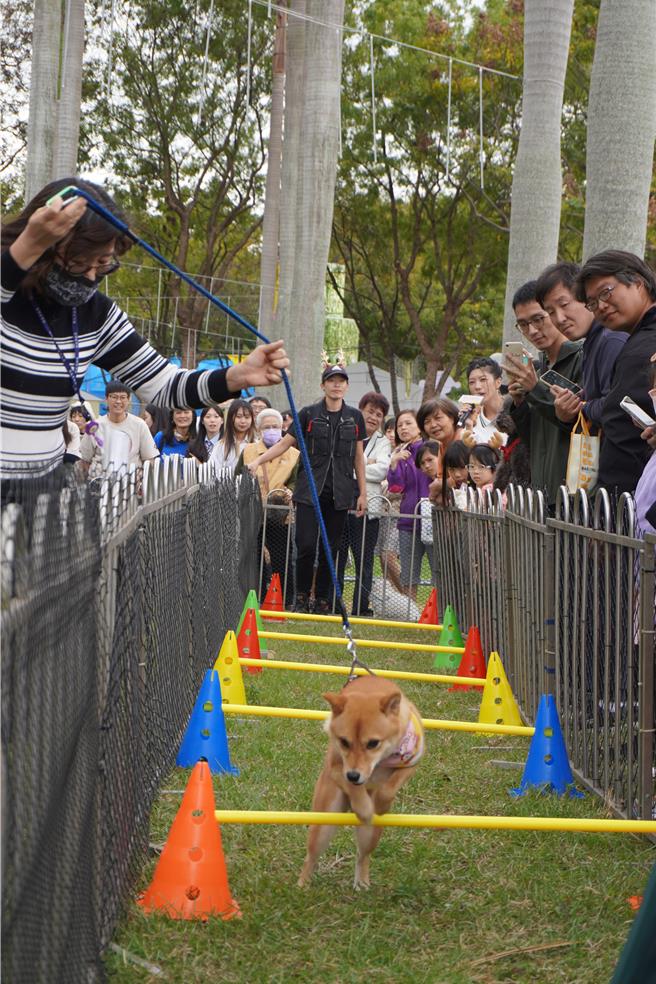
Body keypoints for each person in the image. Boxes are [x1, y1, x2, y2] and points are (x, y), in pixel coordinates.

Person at [0, 177, 289, 479]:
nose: (90, 276)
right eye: (79, 262)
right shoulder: (8, 290)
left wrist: (236, 376)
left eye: (103, 264)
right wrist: (27, 246)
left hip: (39, 493)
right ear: (46, 247)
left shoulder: (96, 315)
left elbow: (164, 385)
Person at [247, 361, 366, 615]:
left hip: (341, 492)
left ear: (346, 386)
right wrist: (258, 460)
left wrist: (363, 493)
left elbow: (358, 457)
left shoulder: (355, 417)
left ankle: (322, 598)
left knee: (329, 549)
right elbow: (284, 444)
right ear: (323, 385)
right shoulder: (308, 414)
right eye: (331, 380)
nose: (336, 384)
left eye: (341, 380)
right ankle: (301, 595)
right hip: (310, 491)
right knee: (306, 545)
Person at [575, 251, 656, 494]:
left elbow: (624, 436)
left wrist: (609, 507)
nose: (600, 306)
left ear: (638, 282)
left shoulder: (640, 350)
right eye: (592, 302)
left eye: (606, 292)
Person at [505, 280, 583, 510]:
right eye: (523, 324)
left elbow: (577, 421)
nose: (532, 331)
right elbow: (533, 439)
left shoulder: (582, 358)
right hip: (540, 493)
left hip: (574, 495)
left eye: (538, 319)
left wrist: (535, 389)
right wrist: (520, 402)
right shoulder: (537, 369)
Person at [536, 261, 628, 430]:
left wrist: (582, 406)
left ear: (585, 296)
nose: (560, 318)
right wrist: (570, 407)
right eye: (550, 312)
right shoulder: (591, 343)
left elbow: (616, 407)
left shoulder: (611, 339)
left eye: (564, 304)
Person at [337, 391, 391, 616]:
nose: (374, 417)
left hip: (369, 510)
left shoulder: (383, 441)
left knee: (364, 562)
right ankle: (334, 604)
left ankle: (360, 606)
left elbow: (382, 470)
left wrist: (355, 465)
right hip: (341, 506)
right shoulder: (345, 433)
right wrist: (364, 462)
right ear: (360, 411)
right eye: (370, 411)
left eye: (379, 414)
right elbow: (339, 464)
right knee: (338, 558)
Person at [239, 408, 300, 606]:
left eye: (275, 426)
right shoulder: (248, 451)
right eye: (267, 427)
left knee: (282, 558)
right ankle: (251, 598)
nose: (272, 430)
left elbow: (296, 480)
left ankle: (285, 599)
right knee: (253, 556)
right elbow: (237, 476)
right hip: (253, 512)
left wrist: (291, 491)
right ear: (258, 429)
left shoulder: (294, 454)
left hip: (280, 514)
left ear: (283, 427)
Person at [386, 409, 433, 602]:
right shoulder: (400, 453)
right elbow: (396, 488)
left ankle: (440, 613)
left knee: (437, 568)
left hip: (431, 517)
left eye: (408, 423)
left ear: (419, 427)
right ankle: (410, 611)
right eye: (399, 425)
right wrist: (394, 464)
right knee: (408, 572)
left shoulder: (431, 448)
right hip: (407, 519)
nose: (403, 428)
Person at [80, 379, 159, 477]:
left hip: (131, 485)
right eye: (114, 397)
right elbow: (84, 461)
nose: (118, 401)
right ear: (106, 399)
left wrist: (142, 480)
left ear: (129, 399)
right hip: (99, 485)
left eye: (123, 397)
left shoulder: (139, 425)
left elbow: (150, 459)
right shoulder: (94, 426)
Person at [416, 397, 467, 475]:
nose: (433, 425)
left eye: (438, 418)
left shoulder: (465, 439)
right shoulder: (442, 445)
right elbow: (441, 477)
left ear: (452, 418)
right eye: (427, 422)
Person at [463, 357, 506, 444]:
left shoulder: (516, 411)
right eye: (472, 382)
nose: (477, 387)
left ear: (498, 382)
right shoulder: (471, 419)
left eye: (483, 380)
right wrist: (469, 428)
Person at [210, 399, 255, 473]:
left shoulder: (257, 443)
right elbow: (213, 472)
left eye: (247, 417)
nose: (243, 421)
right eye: (239, 416)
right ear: (231, 418)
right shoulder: (221, 445)